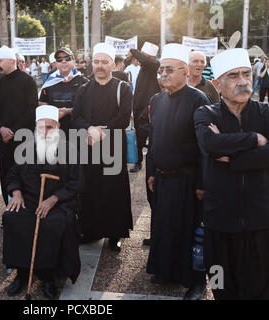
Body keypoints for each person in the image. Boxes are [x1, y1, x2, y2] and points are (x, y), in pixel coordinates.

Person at [194, 48, 269, 300]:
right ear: (217, 84)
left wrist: (231, 158)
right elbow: (209, 146)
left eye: (246, 74)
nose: (243, 81)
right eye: (234, 76)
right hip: (219, 222)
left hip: (262, 221)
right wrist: (254, 139)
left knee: (264, 290)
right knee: (221, 285)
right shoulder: (206, 113)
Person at [146, 43, 211, 300]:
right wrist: (151, 171)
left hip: (188, 181)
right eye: (161, 69)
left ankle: (196, 282)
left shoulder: (199, 100)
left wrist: (202, 183)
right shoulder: (157, 100)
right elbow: (154, 140)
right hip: (162, 178)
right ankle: (165, 270)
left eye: (169, 69)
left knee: (190, 233)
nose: (163, 74)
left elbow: (206, 148)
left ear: (185, 72)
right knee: (163, 228)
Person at [3, 105, 82, 299]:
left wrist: (54, 199)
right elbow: (12, 174)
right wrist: (16, 192)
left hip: (58, 202)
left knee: (52, 223)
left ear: (58, 127)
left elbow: (76, 183)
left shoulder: (69, 149)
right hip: (28, 200)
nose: (45, 132)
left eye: (50, 127)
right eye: (41, 127)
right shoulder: (27, 148)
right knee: (13, 217)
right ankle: (22, 273)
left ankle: (48, 277)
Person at [72, 43, 133, 252]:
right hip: (88, 145)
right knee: (89, 189)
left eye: (104, 62)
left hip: (113, 146)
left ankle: (115, 233)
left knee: (114, 190)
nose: (100, 66)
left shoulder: (122, 88)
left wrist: (100, 133)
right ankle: (90, 230)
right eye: (96, 61)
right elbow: (76, 117)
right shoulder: (83, 89)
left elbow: (124, 117)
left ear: (113, 65)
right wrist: (89, 129)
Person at [0, 45, 38, 205]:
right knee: (5, 174)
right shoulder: (0, 81)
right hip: (4, 139)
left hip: (23, 138)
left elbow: (32, 110)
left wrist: (13, 131)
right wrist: (1, 128)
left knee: (24, 173)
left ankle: (25, 209)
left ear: (12, 61)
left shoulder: (28, 81)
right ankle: (10, 208)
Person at [39, 47, 89, 135]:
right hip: (55, 132)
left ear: (73, 62)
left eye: (67, 58)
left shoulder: (84, 82)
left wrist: (67, 111)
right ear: (56, 64)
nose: (63, 61)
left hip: (79, 132)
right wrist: (53, 113)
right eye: (59, 59)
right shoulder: (50, 82)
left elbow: (88, 107)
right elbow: (43, 102)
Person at [127, 42, 160, 174]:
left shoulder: (154, 65)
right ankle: (138, 161)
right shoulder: (143, 68)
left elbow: (145, 60)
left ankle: (154, 164)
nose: (139, 59)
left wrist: (133, 50)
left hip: (151, 108)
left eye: (143, 55)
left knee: (153, 138)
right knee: (139, 138)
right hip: (139, 107)